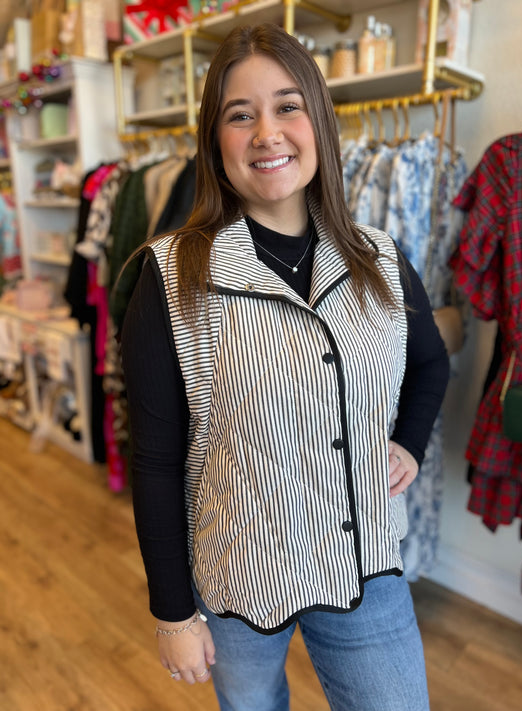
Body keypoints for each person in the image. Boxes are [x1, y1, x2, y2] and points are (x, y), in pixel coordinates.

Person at [120, 22, 449, 711]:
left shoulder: (378, 258)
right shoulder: (171, 274)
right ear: (216, 141)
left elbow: (429, 364)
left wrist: (407, 444)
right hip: (239, 580)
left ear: (318, 123)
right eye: (240, 115)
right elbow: (152, 460)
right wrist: (173, 613)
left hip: (365, 569)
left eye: (286, 106)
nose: (266, 132)